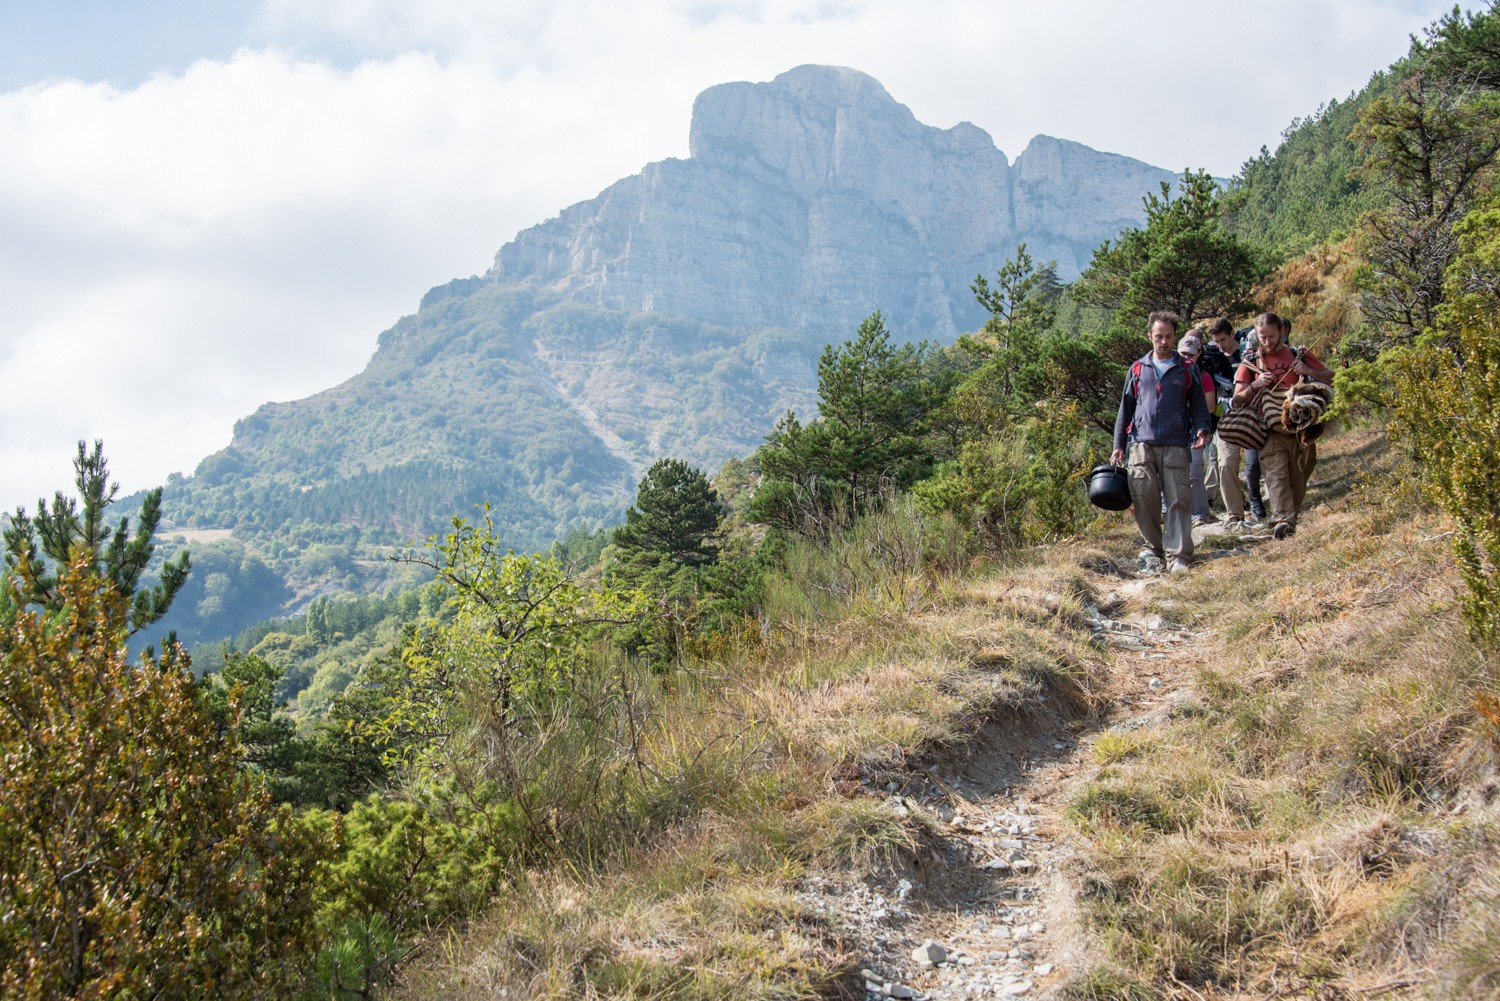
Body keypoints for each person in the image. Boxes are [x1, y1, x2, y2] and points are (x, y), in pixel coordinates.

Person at [1111, 311, 1212, 574]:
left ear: (1174, 336)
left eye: (1168, 336)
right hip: (1141, 444)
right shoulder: (1137, 369)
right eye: (1159, 336)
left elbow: (1199, 406)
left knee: (1179, 498)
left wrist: (1202, 429)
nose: (1164, 342)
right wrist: (1118, 444)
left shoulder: (1188, 369)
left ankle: (1179, 555)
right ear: (1150, 336)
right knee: (1144, 497)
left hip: (1176, 444)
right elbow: (1126, 409)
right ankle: (1153, 550)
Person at [1231, 312, 1333, 540]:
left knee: (1298, 477)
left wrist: (1309, 372)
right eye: (1261, 337)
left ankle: (1289, 521)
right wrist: (1255, 385)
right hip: (1269, 431)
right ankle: (1282, 520)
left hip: (1302, 429)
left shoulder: (1299, 354)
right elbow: (1237, 400)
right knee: (1275, 476)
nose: (1266, 341)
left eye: (1270, 336)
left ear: (1282, 332)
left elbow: (1331, 377)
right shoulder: (1250, 362)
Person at [1200, 318, 1246, 524]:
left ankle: (1260, 502)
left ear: (1232, 334)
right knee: (1225, 464)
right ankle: (1235, 514)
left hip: (1253, 415)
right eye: (1216, 341)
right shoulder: (1212, 359)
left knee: (1256, 466)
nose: (1220, 345)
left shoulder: (1247, 354)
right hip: (1225, 418)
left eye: (1223, 339)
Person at [1176, 332, 1217, 526]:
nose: (1187, 357)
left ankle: (1199, 513)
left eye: (1190, 355)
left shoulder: (1203, 376)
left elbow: (1209, 406)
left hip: (1193, 430)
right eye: (1183, 353)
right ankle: (1172, 512)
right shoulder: (1169, 372)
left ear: (1198, 354)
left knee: (1194, 472)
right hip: (1173, 430)